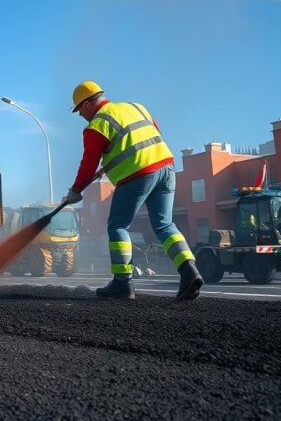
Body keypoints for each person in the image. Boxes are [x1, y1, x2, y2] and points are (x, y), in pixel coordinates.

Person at [62, 81, 203, 301]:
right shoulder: (136, 107)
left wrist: (76, 191)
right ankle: (189, 270)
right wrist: (109, 164)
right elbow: (145, 137)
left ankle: (122, 283)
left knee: (118, 225)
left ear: (88, 104)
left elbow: (88, 165)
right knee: (164, 224)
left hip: (137, 174)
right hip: (166, 167)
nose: (80, 115)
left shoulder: (97, 125)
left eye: (79, 110)